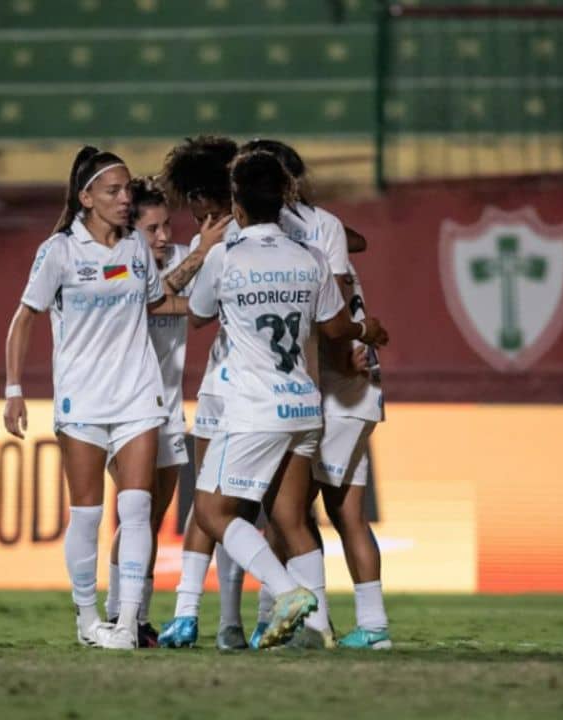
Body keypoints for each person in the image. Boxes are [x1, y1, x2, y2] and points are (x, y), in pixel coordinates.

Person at [187, 150, 389, 649]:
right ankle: (317, 631)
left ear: (236, 203)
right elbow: (337, 326)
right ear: (283, 200)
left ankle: (286, 593)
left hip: (254, 406)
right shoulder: (311, 257)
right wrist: (369, 329)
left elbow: (196, 314)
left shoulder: (226, 256)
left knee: (212, 513)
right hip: (305, 404)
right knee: (291, 519)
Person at [2, 147, 169, 650]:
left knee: (137, 511)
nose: (125, 200)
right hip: (83, 401)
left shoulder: (137, 248)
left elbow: (159, 301)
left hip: (138, 395)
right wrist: (14, 391)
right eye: (114, 191)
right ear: (86, 197)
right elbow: (23, 318)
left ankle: (126, 623)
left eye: (128, 191)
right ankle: (86, 617)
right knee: (89, 516)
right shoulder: (60, 252)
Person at [102, 175, 224, 647]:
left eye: (166, 226)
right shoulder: (113, 266)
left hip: (169, 408)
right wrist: (199, 259)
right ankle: (117, 613)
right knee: (135, 513)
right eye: (151, 229)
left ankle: (137, 616)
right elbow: (145, 302)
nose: (162, 237)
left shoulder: (176, 258)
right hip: (123, 407)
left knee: (151, 520)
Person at [152, 136, 255, 650]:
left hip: (226, 388)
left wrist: (204, 255)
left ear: (198, 195)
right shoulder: (274, 228)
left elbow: (182, 309)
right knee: (247, 511)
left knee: (210, 505)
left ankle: (191, 613)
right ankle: (232, 623)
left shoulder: (212, 243)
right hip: (272, 391)